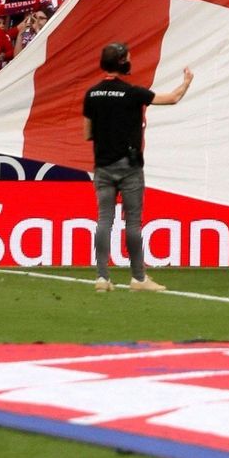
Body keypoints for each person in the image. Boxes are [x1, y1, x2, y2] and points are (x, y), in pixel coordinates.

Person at [81, 39, 195, 294]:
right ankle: (138, 278)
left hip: (102, 165)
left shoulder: (92, 94)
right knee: (132, 222)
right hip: (129, 166)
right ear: (122, 62)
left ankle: (102, 277)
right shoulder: (133, 93)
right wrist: (187, 82)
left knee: (104, 220)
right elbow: (172, 98)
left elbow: (87, 133)